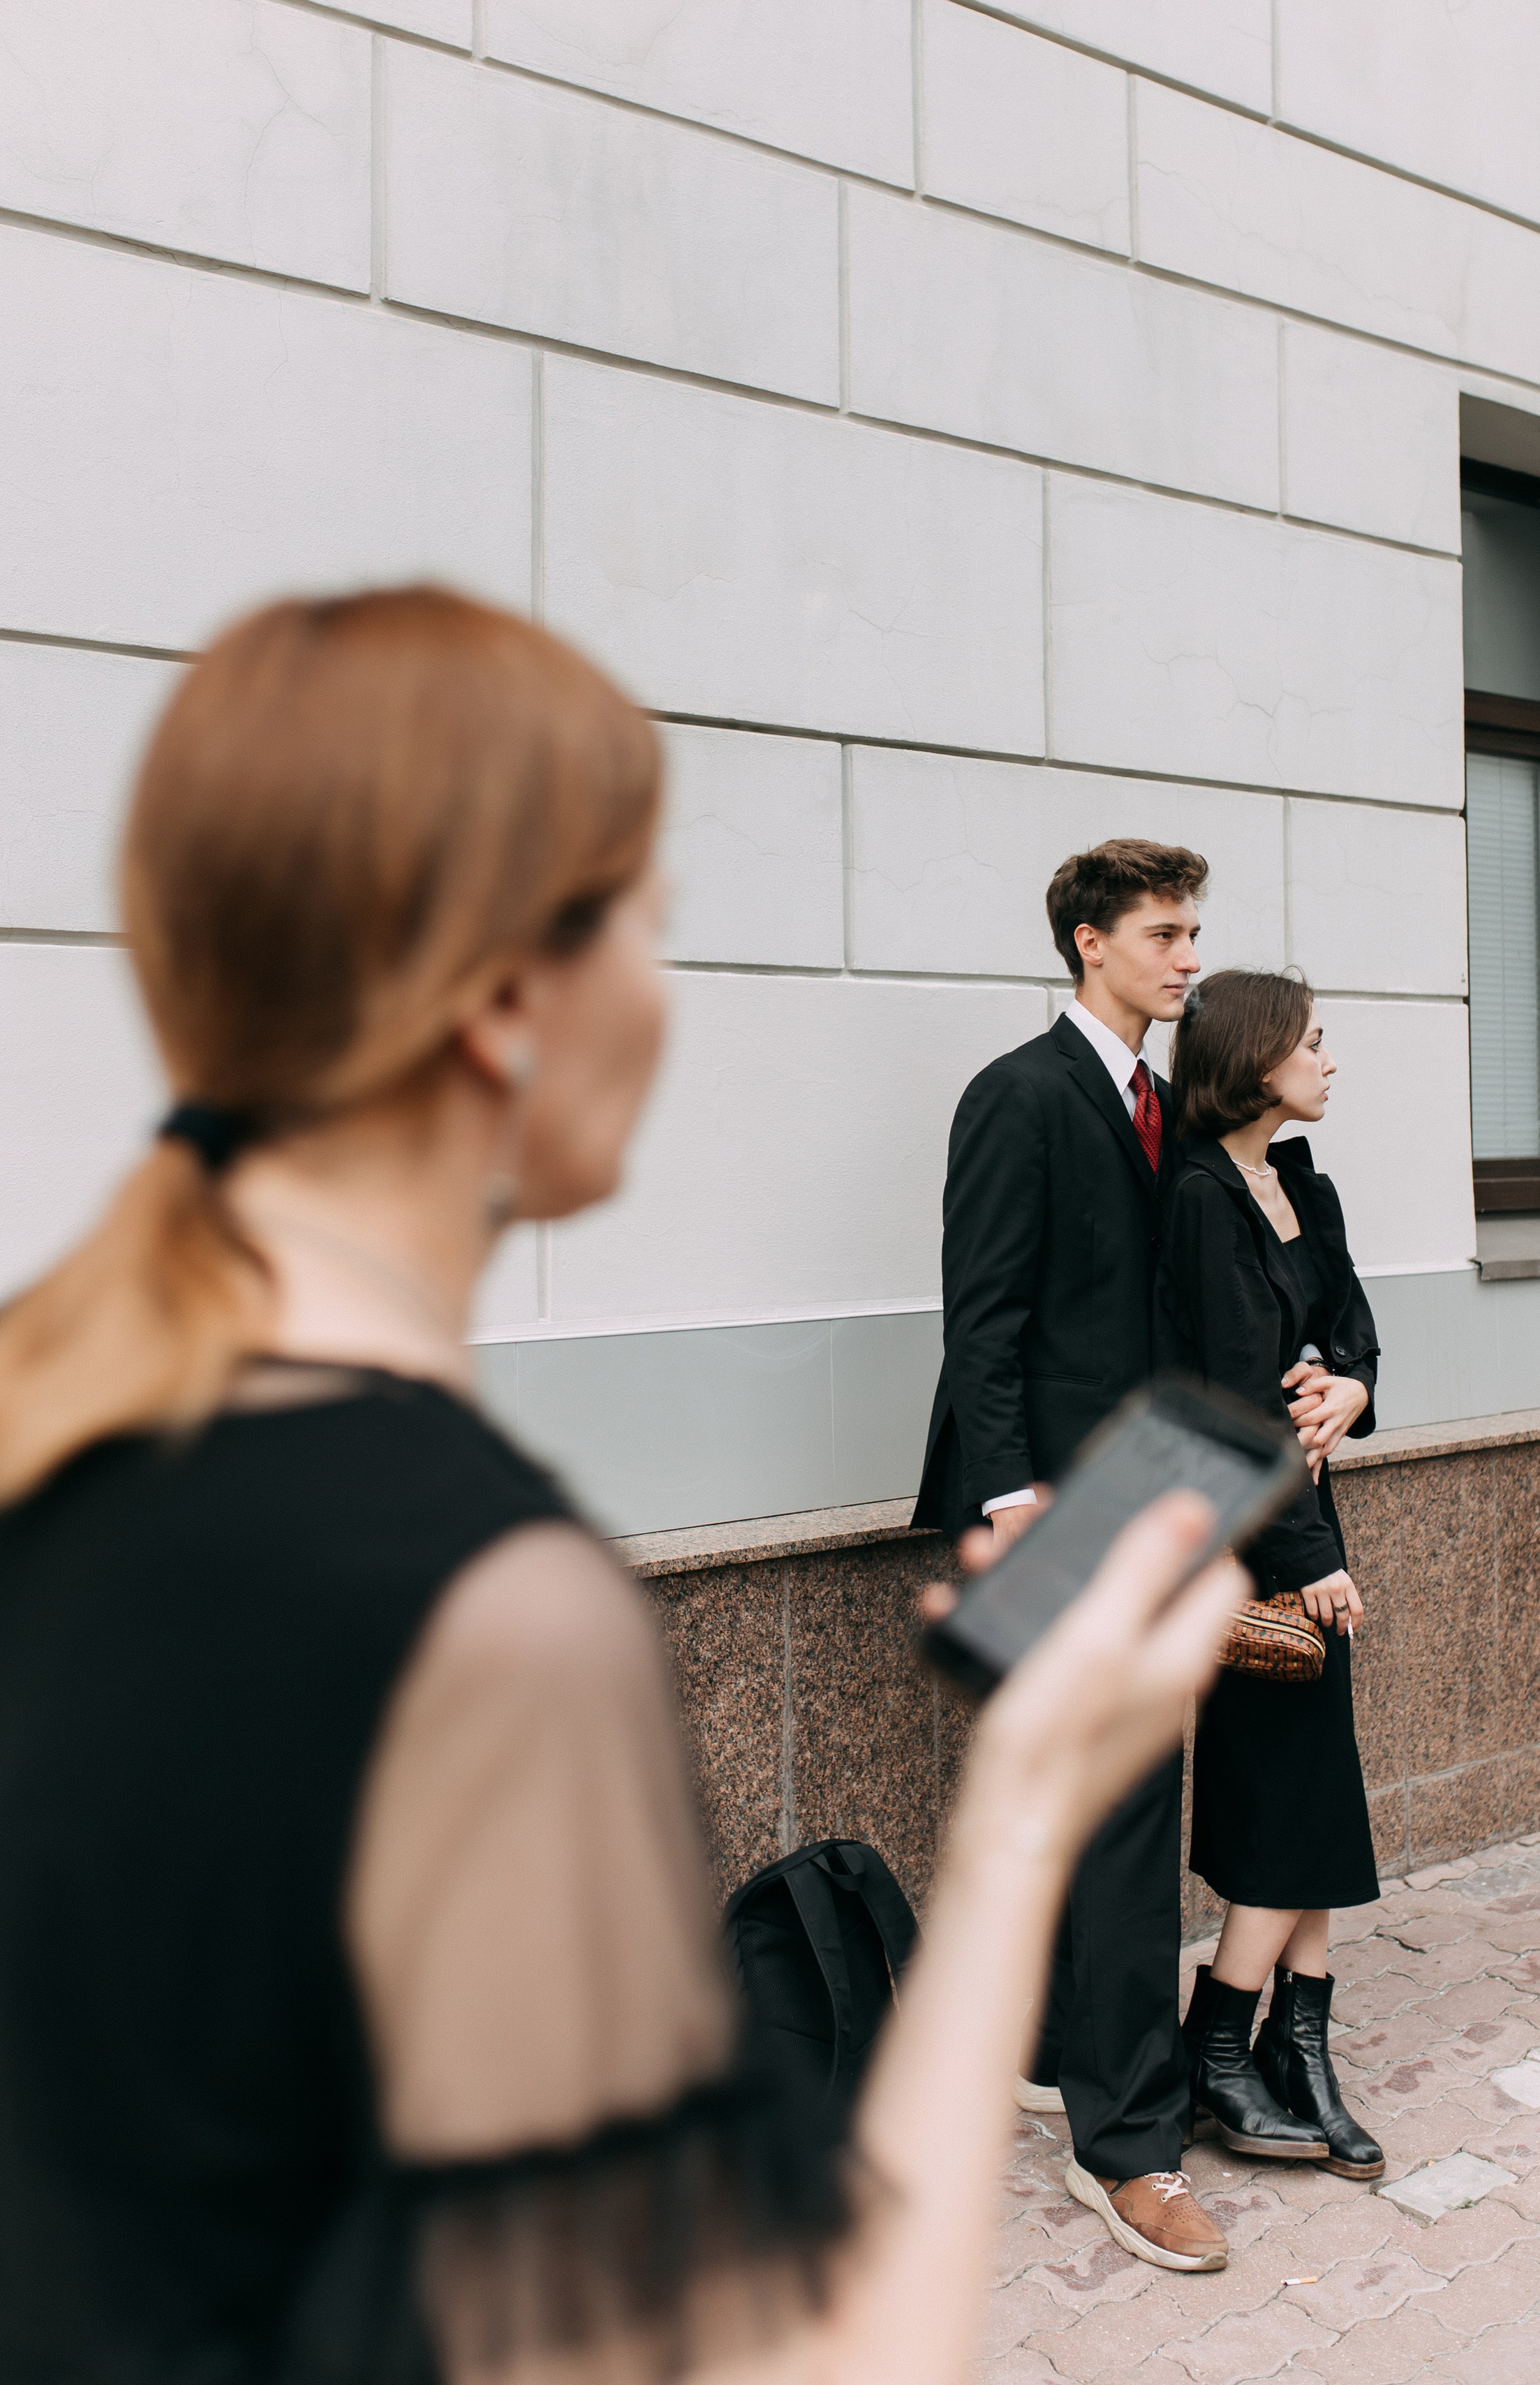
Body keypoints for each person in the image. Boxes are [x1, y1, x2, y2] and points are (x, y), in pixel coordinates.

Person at [0, 588, 1247, 2385]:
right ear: (507, 1001)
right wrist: (1018, 1824)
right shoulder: (473, 1591)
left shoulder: (107, 1435)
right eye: (649, 929)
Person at [912, 840, 1223, 2274]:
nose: (1185, 957)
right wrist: (1004, 1494)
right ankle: (1130, 2149)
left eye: (1192, 932)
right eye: (1163, 932)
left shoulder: (1166, 1106)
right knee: (1119, 1812)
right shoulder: (1018, 1094)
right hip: (1053, 1505)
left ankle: (1045, 2048)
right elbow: (979, 1316)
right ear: (1089, 943)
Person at [1154, 968, 1385, 2181]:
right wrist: (1311, 1561)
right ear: (1254, 1061)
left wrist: (1354, 1386)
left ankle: (1295, 2048)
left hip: (1305, 1506)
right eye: (1313, 1041)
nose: (1330, 1059)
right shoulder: (1201, 1197)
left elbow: (1350, 1332)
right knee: (1288, 1791)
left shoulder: (1300, 1182)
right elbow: (1240, 1398)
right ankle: (1227, 2050)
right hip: (1251, 1535)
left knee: (1315, 1783)